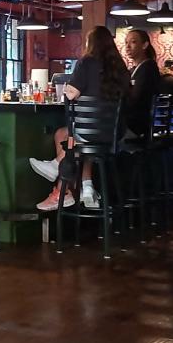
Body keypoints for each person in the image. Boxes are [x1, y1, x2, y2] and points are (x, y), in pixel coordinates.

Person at [28, 26, 129, 211]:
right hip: (113, 136)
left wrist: (69, 89)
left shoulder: (86, 62)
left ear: (91, 44)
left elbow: (72, 94)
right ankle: (87, 188)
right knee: (80, 144)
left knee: (66, 136)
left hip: (86, 134)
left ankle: (61, 180)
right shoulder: (121, 68)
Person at [121, 29, 159, 137]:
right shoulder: (133, 69)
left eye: (133, 42)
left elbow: (136, 99)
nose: (127, 46)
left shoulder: (148, 68)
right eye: (126, 42)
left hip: (138, 126)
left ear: (144, 45)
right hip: (131, 123)